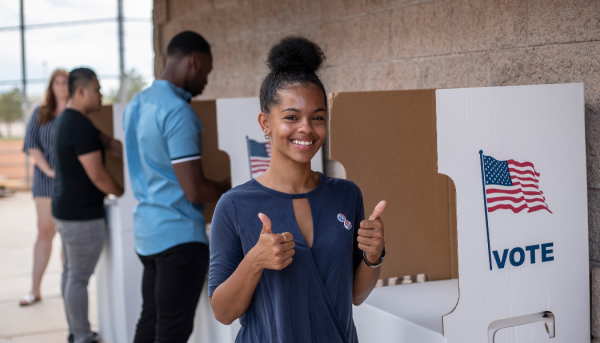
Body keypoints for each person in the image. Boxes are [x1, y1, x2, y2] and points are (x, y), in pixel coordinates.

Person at [208, 36, 387, 342]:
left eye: (317, 117)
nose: (306, 128)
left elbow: (355, 296)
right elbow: (223, 312)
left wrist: (374, 255)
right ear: (265, 123)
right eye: (291, 117)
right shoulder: (234, 205)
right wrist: (255, 261)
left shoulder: (347, 195)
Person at [123, 31, 230, 343]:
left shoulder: (137, 104)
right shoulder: (178, 112)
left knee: (151, 321)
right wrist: (229, 188)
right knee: (172, 332)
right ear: (194, 62)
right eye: (207, 72)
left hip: (147, 234)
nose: (206, 82)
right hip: (179, 238)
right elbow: (195, 190)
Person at [52, 67, 124, 343]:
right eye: (97, 89)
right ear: (81, 91)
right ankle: (81, 335)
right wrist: (123, 193)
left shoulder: (69, 120)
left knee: (71, 273)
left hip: (66, 210)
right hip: (80, 215)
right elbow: (97, 175)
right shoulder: (78, 125)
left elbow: (107, 143)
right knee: (78, 277)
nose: (101, 94)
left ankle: (76, 330)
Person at [20, 69, 69, 306]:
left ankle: (67, 290)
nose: (61, 86)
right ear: (51, 86)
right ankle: (34, 289)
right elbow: (31, 145)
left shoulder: (74, 113)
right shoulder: (40, 113)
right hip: (45, 179)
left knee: (66, 235)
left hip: (70, 180)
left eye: (65, 82)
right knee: (44, 231)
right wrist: (49, 170)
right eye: (57, 82)